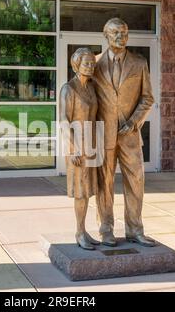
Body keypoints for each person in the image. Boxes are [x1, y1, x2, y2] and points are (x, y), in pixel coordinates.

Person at [93, 18, 156, 247]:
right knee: (104, 183)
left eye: (124, 32)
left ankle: (135, 229)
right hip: (104, 134)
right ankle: (106, 229)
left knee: (136, 181)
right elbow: (86, 97)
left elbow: (148, 97)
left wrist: (134, 121)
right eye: (115, 32)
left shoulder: (139, 63)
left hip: (130, 134)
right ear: (106, 35)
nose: (121, 36)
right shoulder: (95, 64)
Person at [60, 48, 100, 250]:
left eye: (93, 63)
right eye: (86, 63)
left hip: (91, 143)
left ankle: (84, 230)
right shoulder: (69, 89)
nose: (91, 66)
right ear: (76, 65)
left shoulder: (91, 88)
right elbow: (64, 121)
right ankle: (79, 231)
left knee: (88, 190)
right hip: (76, 146)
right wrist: (73, 148)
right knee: (80, 192)